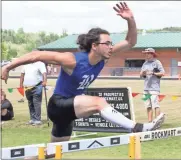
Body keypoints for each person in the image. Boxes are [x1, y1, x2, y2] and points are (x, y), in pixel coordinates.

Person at [2, 2, 165, 150]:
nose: (111, 46)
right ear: (94, 46)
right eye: (107, 43)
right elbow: (36, 54)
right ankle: (136, 128)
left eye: (111, 43)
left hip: (69, 113)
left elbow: (130, 42)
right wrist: (8, 66)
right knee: (99, 102)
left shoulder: (104, 56)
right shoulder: (72, 60)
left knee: (52, 153)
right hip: (58, 105)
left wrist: (130, 19)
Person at [140, 48, 165, 124]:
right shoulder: (145, 63)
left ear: (152, 54)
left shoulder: (157, 62)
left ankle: (157, 122)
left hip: (154, 88)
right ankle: (150, 122)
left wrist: (153, 73)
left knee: (155, 105)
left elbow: (163, 73)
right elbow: (140, 74)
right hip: (146, 88)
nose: (146, 55)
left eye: (147, 53)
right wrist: (143, 73)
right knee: (147, 105)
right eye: (145, 53)